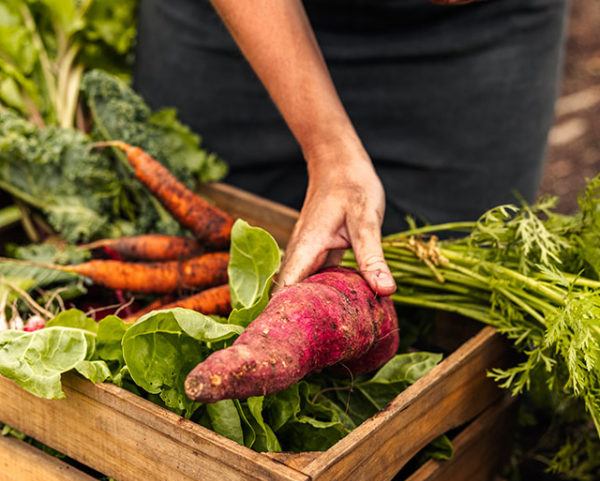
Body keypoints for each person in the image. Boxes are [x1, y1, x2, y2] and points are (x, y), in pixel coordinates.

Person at [133, 0, 568, 295]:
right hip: (242, 23)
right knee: (208, 258)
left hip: (476, 31)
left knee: (464, 290)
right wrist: (327, 147)